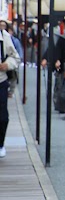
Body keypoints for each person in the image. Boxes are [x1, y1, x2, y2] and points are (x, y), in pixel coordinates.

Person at [0, 22, 20, 160]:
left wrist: (7, 64)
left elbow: (16, 57)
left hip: (1, 79)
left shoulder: (5, 37)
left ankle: (0, 144)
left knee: (2, 117)